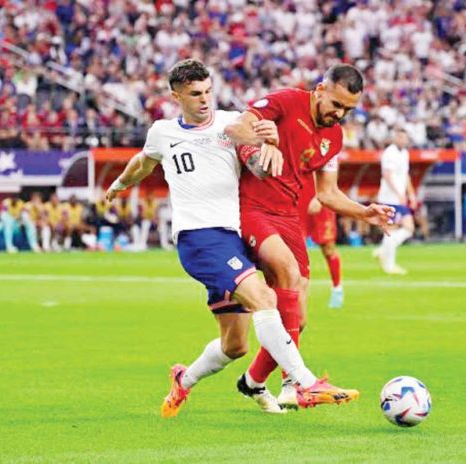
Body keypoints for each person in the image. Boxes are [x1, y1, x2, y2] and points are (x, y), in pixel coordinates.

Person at [105, 59, 359, 418]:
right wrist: (118, 185)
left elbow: (255, 157)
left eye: (208, 91)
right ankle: (303, 382)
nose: (204, 99)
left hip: (234, 238)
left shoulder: (231, 124)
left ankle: (184, 380)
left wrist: (267, 146)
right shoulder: (162, 132)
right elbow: (142, 163)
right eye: (195, 94)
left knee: (236, 344)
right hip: (199, 238)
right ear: (176, 95)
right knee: (265, 297)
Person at [224, 64, 394, 409]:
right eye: (336, 104)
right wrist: (262, 142)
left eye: (348, 109)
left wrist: (364, 211)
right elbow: (236, 127)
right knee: (286, 270)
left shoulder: (335, 137)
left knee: (298, 317)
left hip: (289, 217)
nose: (340, 114)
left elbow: (328, 194)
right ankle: (297, 385)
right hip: (253, 208)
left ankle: (253, 381)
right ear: (320, 89)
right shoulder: (287, 101)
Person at [373, 127, 416, 275]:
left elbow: (405, 175)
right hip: (388, 198)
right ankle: (389, 265)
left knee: (408, 228)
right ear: (395, 138)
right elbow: (387, 175)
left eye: (405, 138)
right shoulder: (389, 153)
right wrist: (399, 194)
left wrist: (411, 194)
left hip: (400, 198)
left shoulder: (405, 153)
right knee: (392, 230)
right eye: (400, 137)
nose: (403, 140)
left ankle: (382, 251)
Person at [299, 168, 344, 309]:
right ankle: (297, 292)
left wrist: (320, 196)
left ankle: (337, 289)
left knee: (328, 248)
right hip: (298, 197)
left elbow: (330, 167)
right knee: (295, 248)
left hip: (321, 198)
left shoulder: (325, 146)